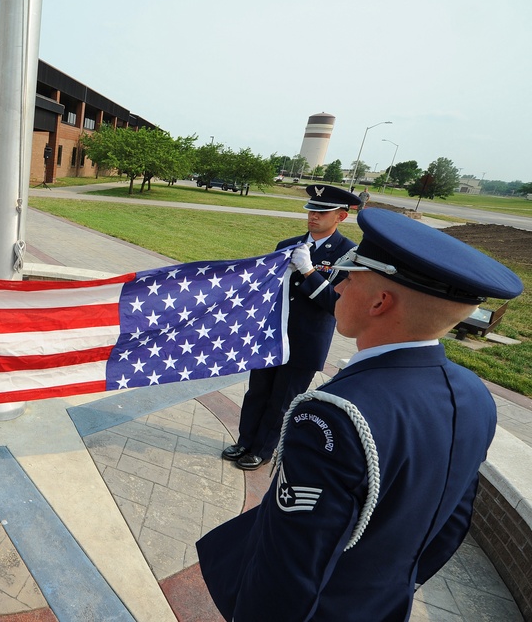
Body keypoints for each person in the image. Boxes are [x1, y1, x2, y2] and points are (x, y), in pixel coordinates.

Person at [196, 207, 523, 621]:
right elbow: (453, 522)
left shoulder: (333, 417)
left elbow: (289, 569)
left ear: (380, 302)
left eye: (350, 276)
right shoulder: (475, 395)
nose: (342, 286)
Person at [222, 184, 361, 470]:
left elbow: (335, 303)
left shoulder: (348, 255)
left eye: (323, 212)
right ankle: (245, 440)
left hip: (305, 339)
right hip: (271, 333)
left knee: (282, 399)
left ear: (341, 217)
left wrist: (309, 272)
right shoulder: (287, 244)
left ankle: (262, 449)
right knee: (257, 391)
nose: (313, 217)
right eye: (311, 210)